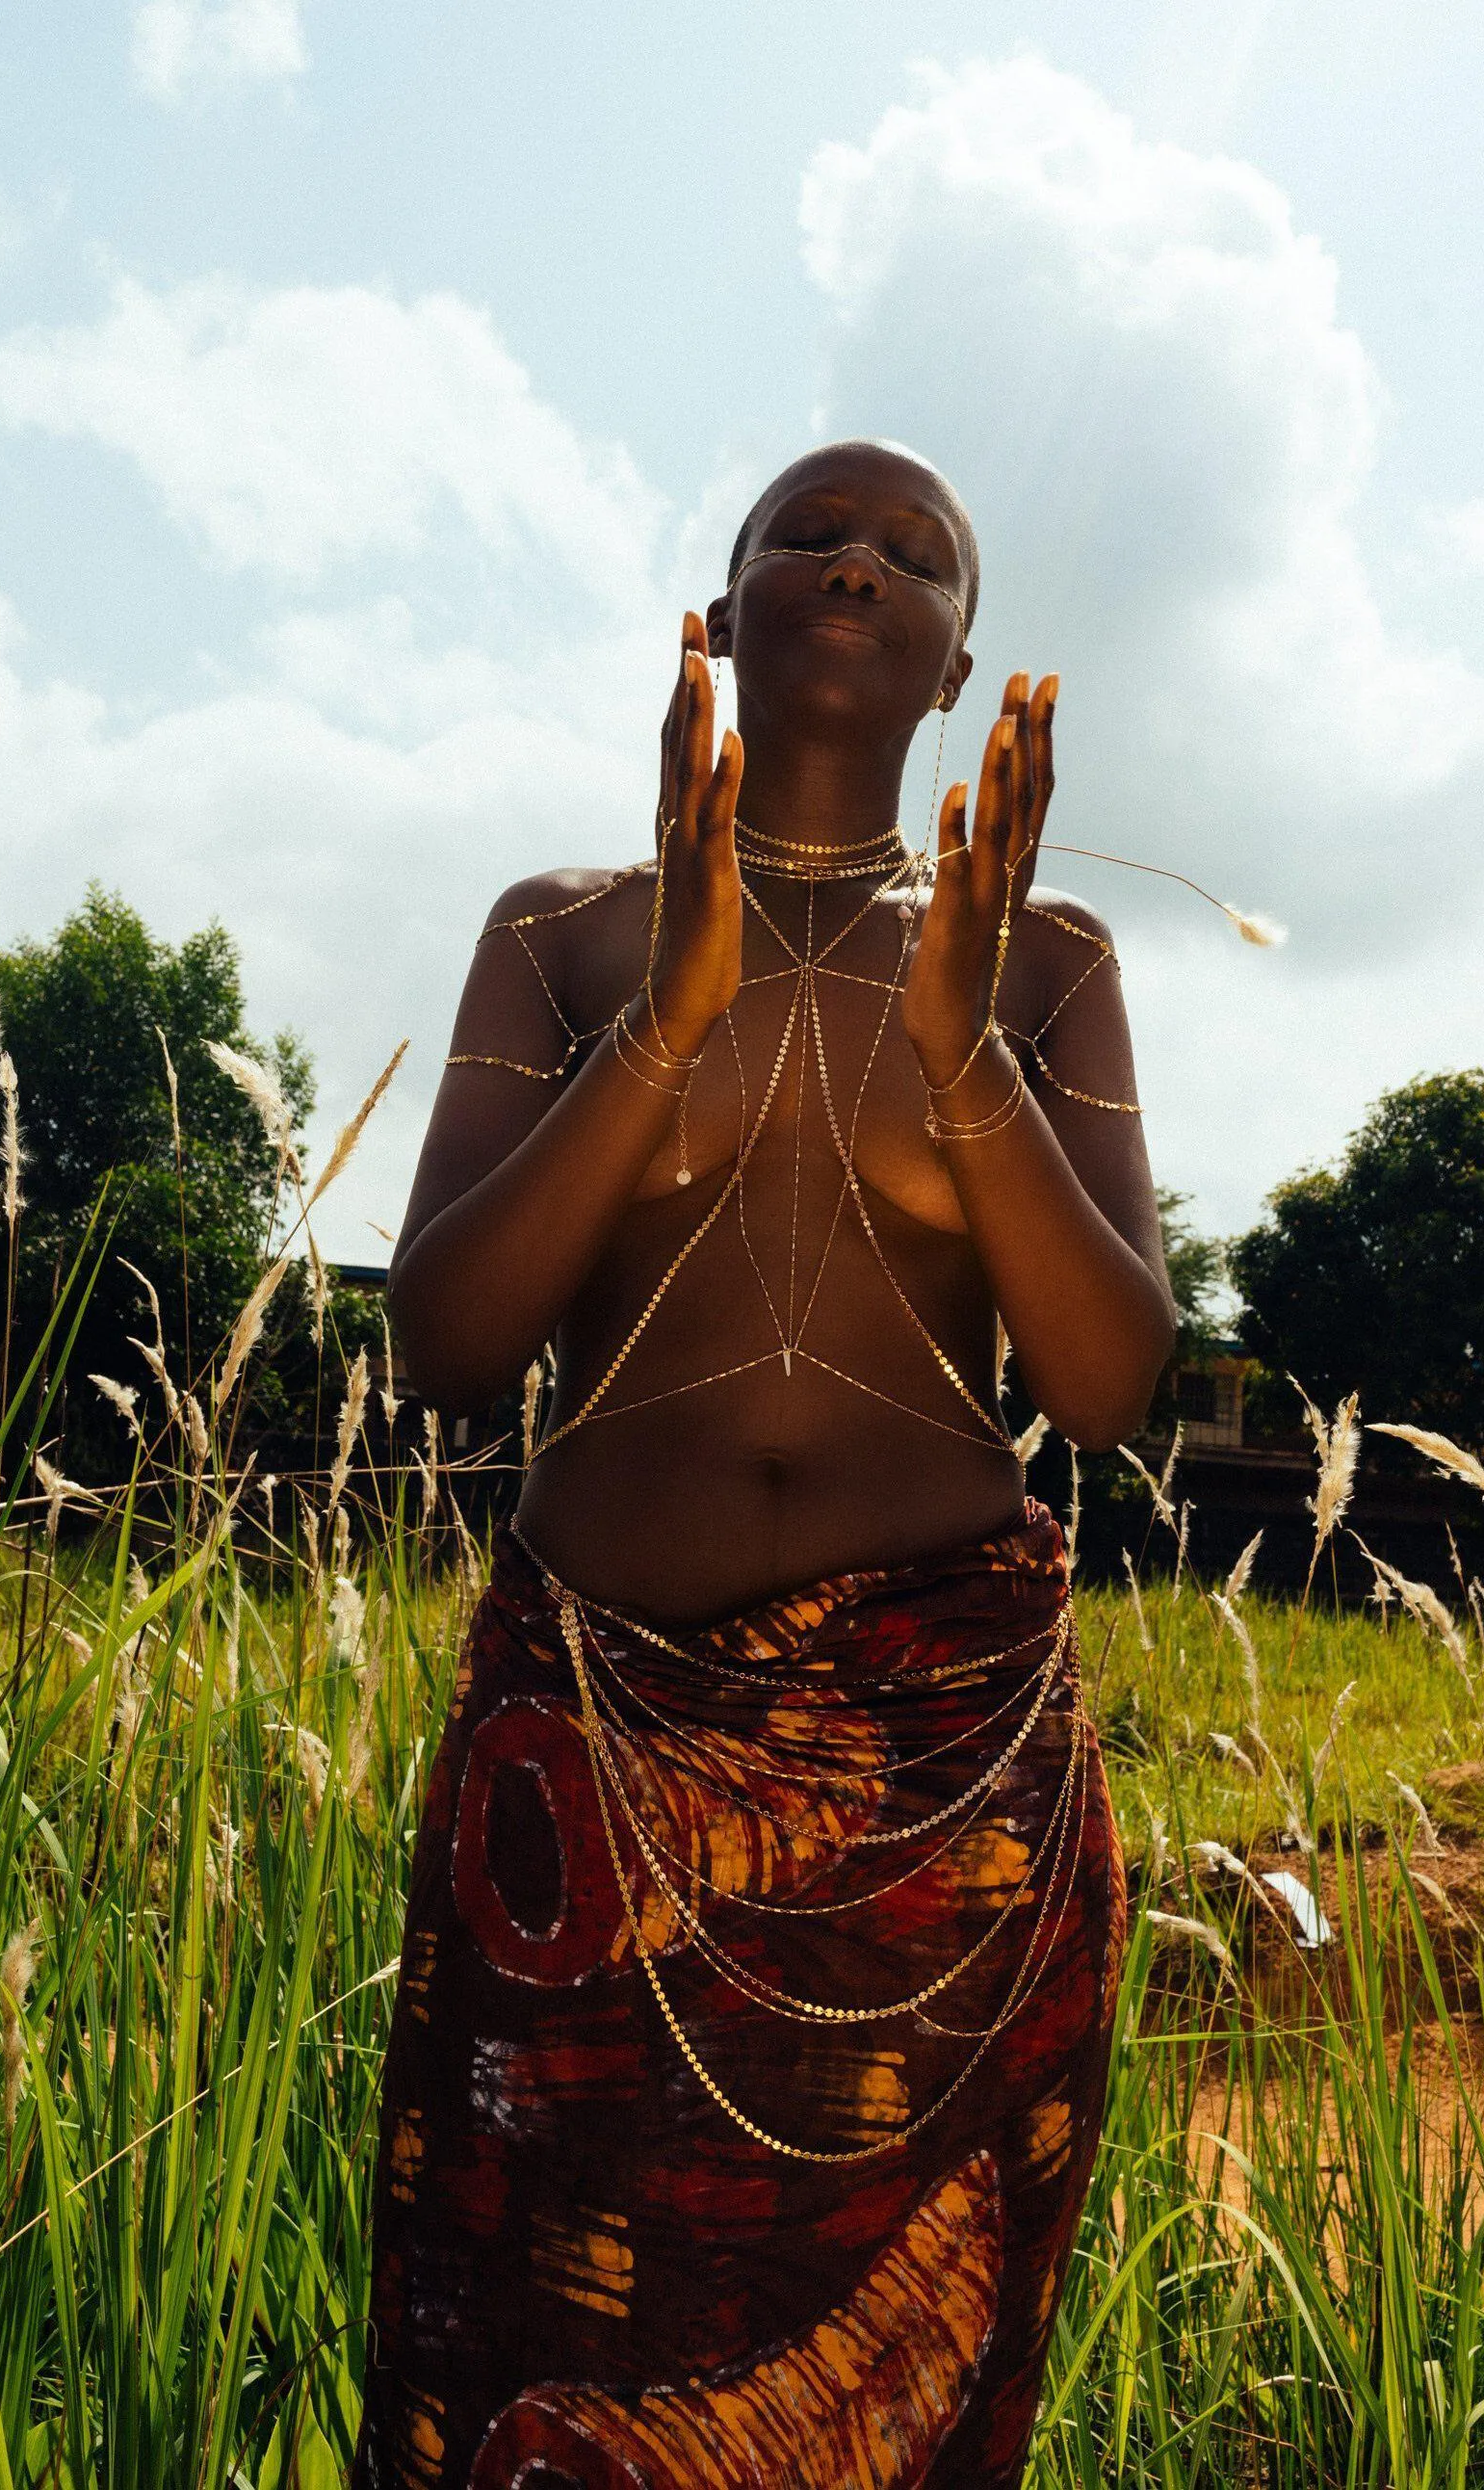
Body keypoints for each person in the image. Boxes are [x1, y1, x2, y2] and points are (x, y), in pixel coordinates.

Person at [356, 438, 1175, 2489]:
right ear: (715, 621)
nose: (859, 562)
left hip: (941, 1794)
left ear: (959, 662)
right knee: (548, 2351)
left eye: (915, 555)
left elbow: (1101, 1385)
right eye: (808, 531)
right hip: (598, 1776)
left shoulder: (1047, 957)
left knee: (892, 2393)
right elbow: (445, 1348)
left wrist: (963, 1042)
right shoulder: (563, 931)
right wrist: (667, 1026)